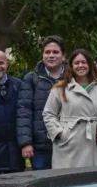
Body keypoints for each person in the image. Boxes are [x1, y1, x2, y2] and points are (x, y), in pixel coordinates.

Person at [43, 49, 97, 169]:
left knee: (92, 181)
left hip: (94, 144)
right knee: (67, 182)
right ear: (71, 66)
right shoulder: (60, 88)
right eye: (77, 63)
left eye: (84, 62)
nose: (80, 66)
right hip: (68, 144)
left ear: (90, 64)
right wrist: (60, 134)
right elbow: (48, 114)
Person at [17, 36, 66, 170]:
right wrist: (25, 143)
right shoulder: (31, 78)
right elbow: (24, 111)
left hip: (67, 143)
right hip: (41, 146)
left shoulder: (72, 78)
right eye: (47, 52)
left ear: (63, 56)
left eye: (55, 52)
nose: (51, 55)